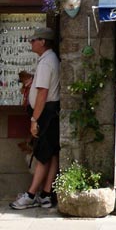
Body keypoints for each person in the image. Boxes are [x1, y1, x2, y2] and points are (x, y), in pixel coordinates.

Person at [10, 28, 60, 210]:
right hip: (50, 111)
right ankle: (45, 195)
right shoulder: (49, 59)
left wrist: (34, 119)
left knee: (42, 155)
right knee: (51, 154)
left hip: (45, 113)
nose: (30, 42)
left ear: (43, 41)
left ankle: (31, 195)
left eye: (34, 40)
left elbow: (43, 93)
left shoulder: (46, 62)